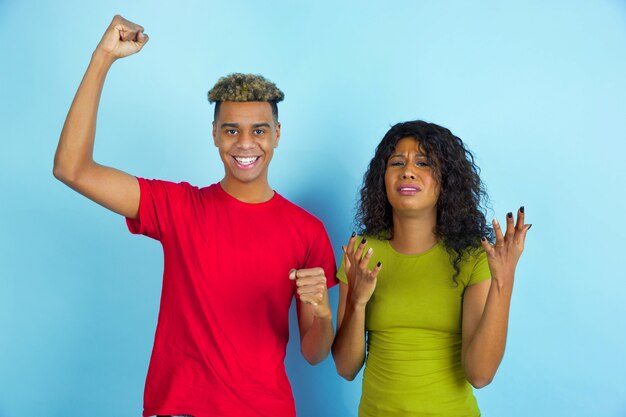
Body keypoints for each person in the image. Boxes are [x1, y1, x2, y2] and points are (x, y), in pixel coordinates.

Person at [53, 15, 337, 417]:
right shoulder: (178, 208)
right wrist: (103, 58)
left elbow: (314, 352)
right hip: (179, 409)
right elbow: (71, 168)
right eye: (231, 130)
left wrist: (323, 314)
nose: (245, 143)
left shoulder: (307, 231)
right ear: (214, 134)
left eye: (258, 130)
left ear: (277, 134)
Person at [332, 120, 531, 416]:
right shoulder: (361, 251)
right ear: (382, 179)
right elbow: (346, 369)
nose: (408, 171)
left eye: (423, 163)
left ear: (446, 180)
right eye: (396, 162)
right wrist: (358, 302)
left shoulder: (472, 257)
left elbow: (480, 375)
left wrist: (503, 281)